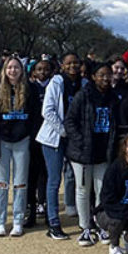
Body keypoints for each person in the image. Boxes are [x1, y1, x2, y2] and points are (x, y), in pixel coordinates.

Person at [64, 62, 121, 247]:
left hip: (104, 152)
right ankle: (85, 227)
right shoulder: (83, 96)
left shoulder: (113, 98)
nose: (106, 78)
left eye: (108, 75)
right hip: (82, 153)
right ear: (93, 76)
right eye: (101, 75)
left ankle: (100, 225)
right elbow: (70, 121)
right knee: (83, 190)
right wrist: (81, 142)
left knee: (101, 190)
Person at [0, 57, 39, 237]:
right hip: (2, 141)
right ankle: (0, 222)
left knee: (20, 183)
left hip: (22, 140)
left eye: (16, 67)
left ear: (22, 70)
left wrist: (32, 140)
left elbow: (34, 119)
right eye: (9, 67)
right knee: (1, 183)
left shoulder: (29, 91)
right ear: (4, 70)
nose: (13, 71)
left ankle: (18, 220)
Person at [36, 52, 83, 240]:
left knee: (79, 179)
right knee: (54, 180)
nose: (73, 66)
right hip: (54, 137)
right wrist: (64, 131)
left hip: (75, 139)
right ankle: (53, 223)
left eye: (76, 62)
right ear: (62, 65)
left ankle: (86, 221)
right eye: (69, 63)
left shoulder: (84, 84)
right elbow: (47, 111)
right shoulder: (56, 82)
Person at [24, 58, 52, 227]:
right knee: (31, 177)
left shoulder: (54, 87)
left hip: (49, 138)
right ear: (33, 72)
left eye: (46, 69)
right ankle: (31, 212)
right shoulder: (29, 88)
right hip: (32, 137)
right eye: (39, 69)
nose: (43, 72)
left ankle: (47, 210)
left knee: (47, 176)